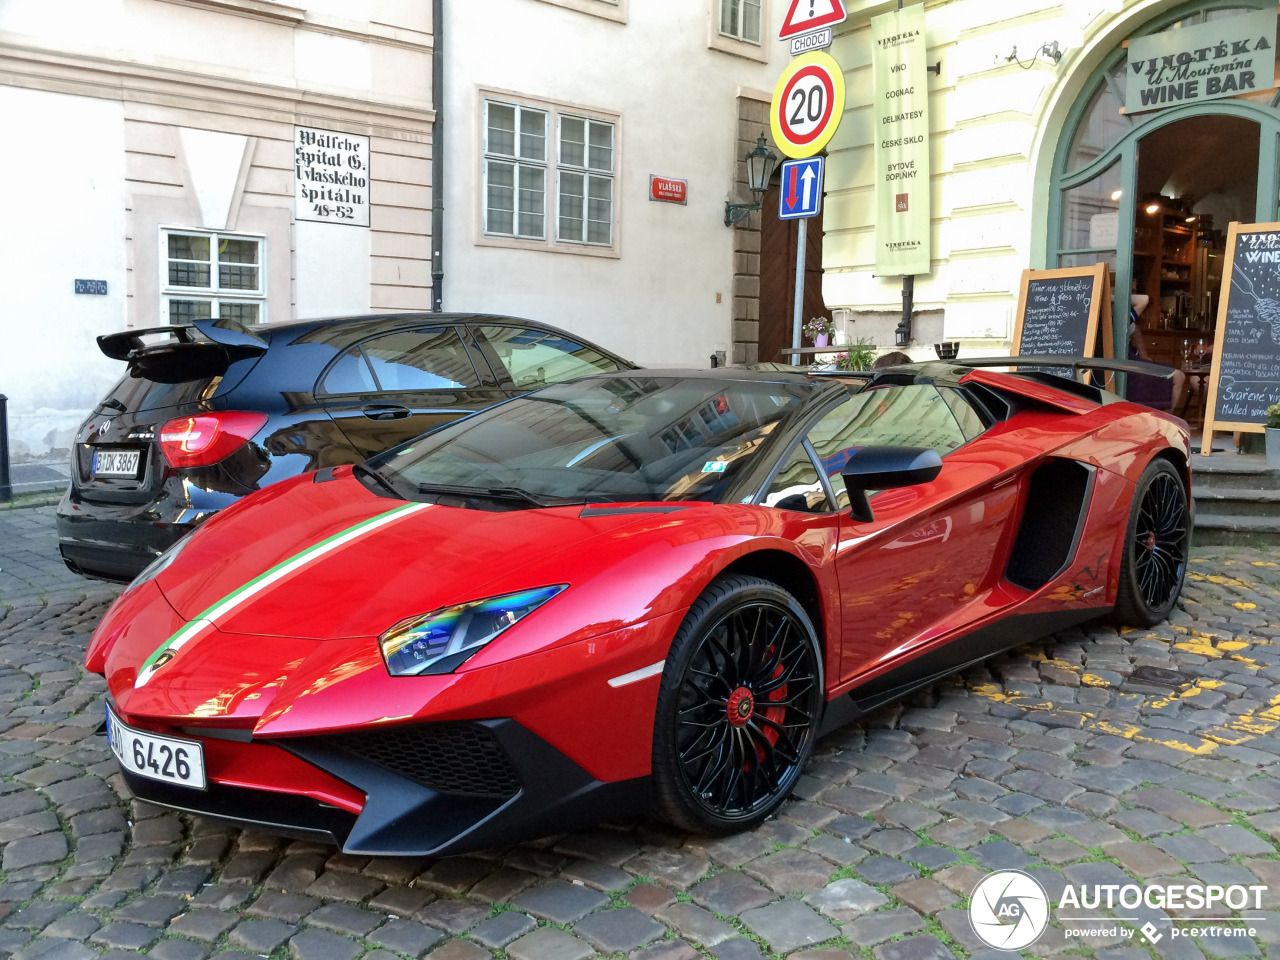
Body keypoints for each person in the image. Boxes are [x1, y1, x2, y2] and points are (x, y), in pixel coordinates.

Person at [1127, 294, 1188, 412]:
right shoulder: (1111, 318)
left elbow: (1135, 330)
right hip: (1126, 369)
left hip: (1133, 363)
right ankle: (1163, 422)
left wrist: (1144, 355)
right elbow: (1144, 299)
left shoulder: (1122, 317)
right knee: (1177, 377)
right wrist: (1110, 295)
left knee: (1179, 376)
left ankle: (1165, 422)